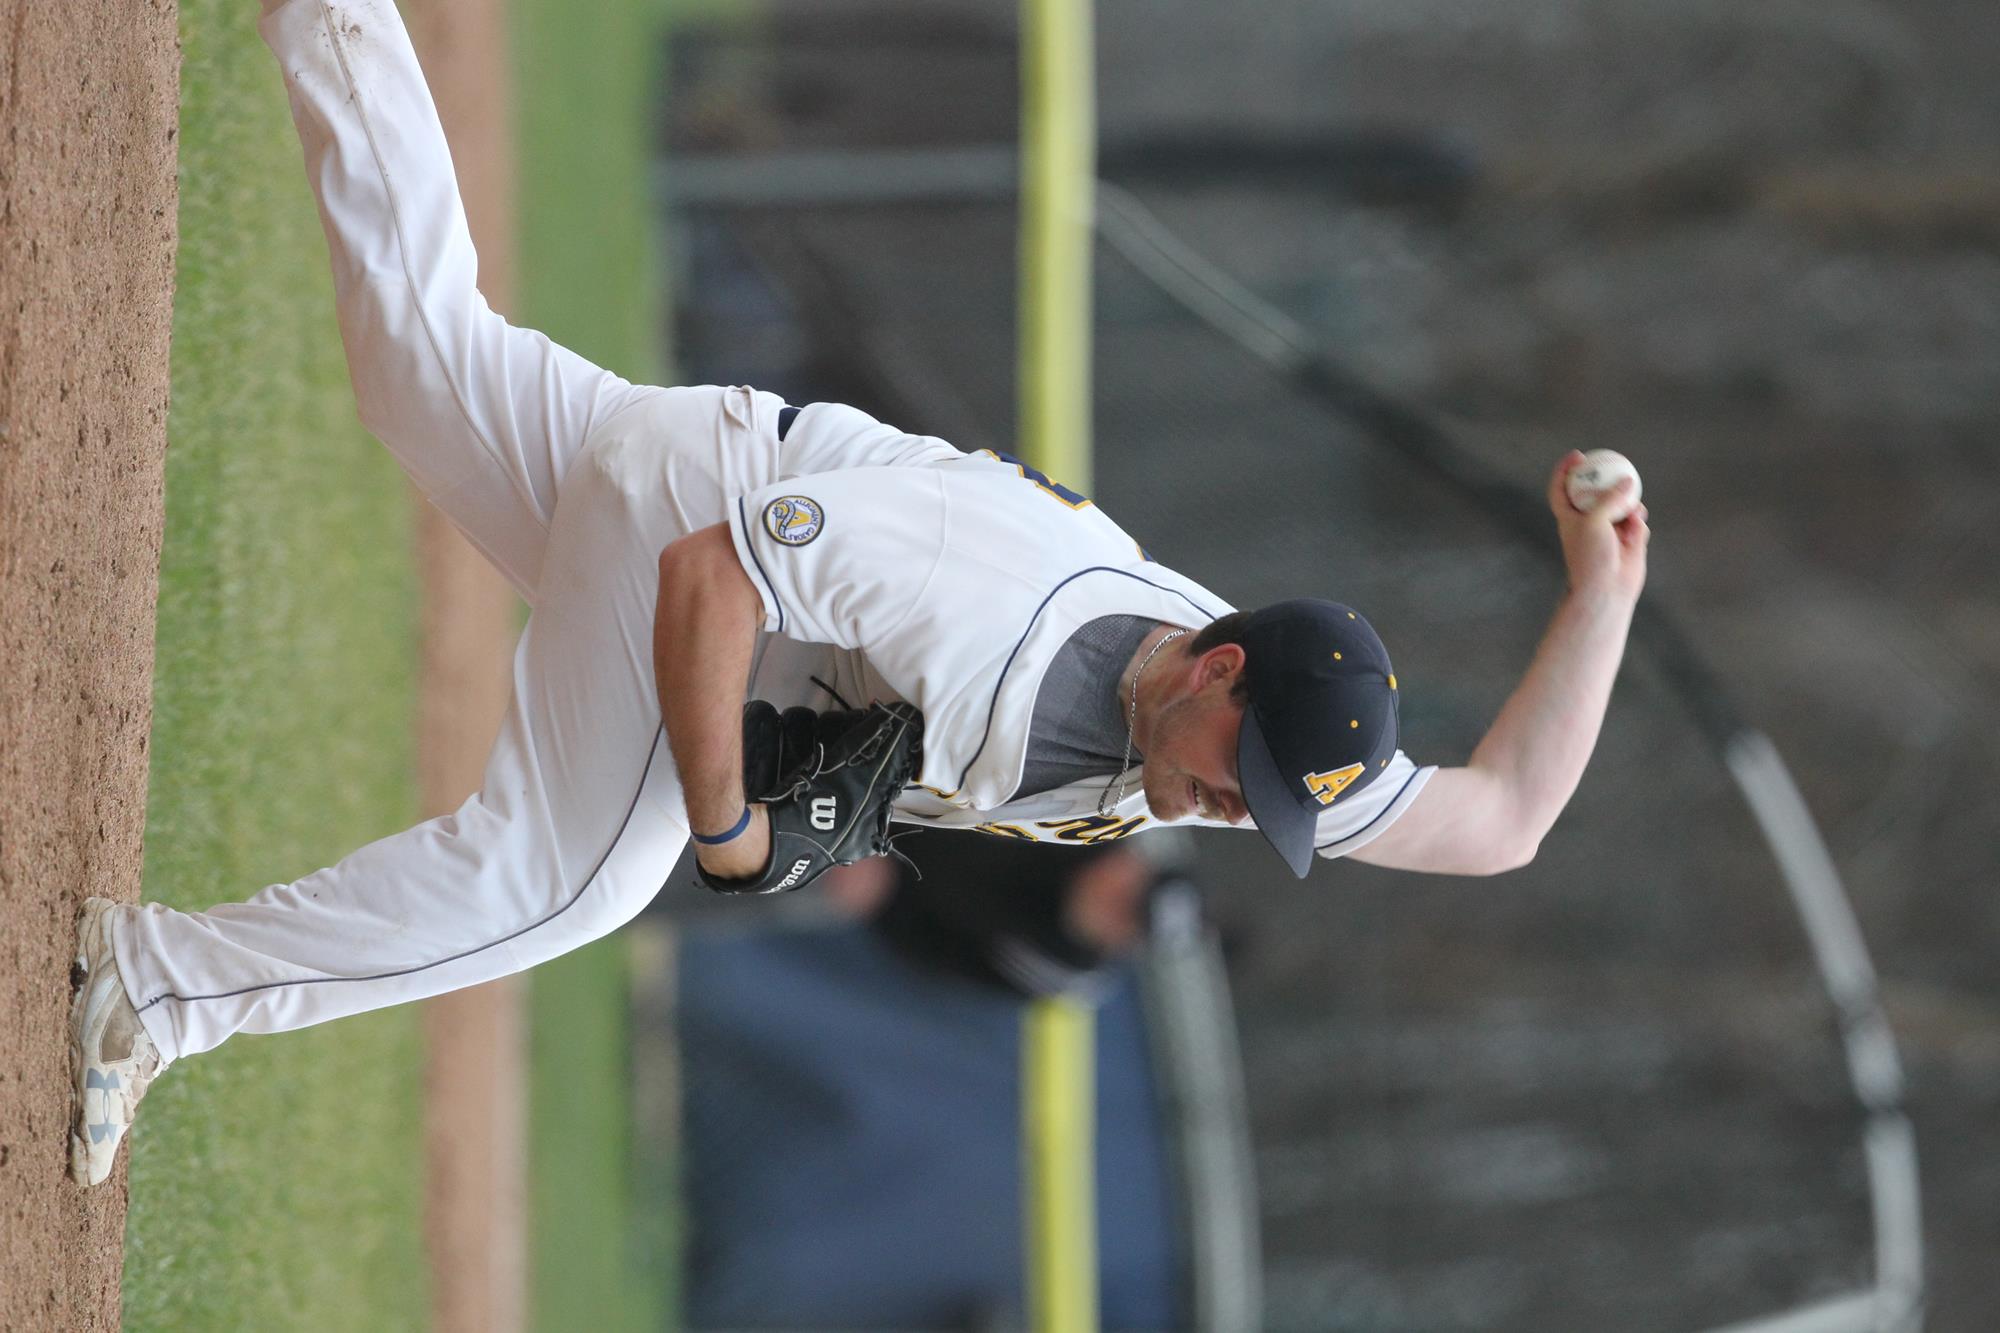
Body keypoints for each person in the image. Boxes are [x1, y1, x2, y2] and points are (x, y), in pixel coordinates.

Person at [67, 0, 1649, 1186]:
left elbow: (1500, 816)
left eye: (1278, 813)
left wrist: (1605, 592)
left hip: (724, 496)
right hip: (705, 525)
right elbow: (710, 570)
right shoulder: (996, 633)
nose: (1241, 818)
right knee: (562, 882)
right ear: (1218, 673)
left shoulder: (1247, 726)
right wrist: (723, 822)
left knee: (418, 356)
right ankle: (155, 985)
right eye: (1244, 785)